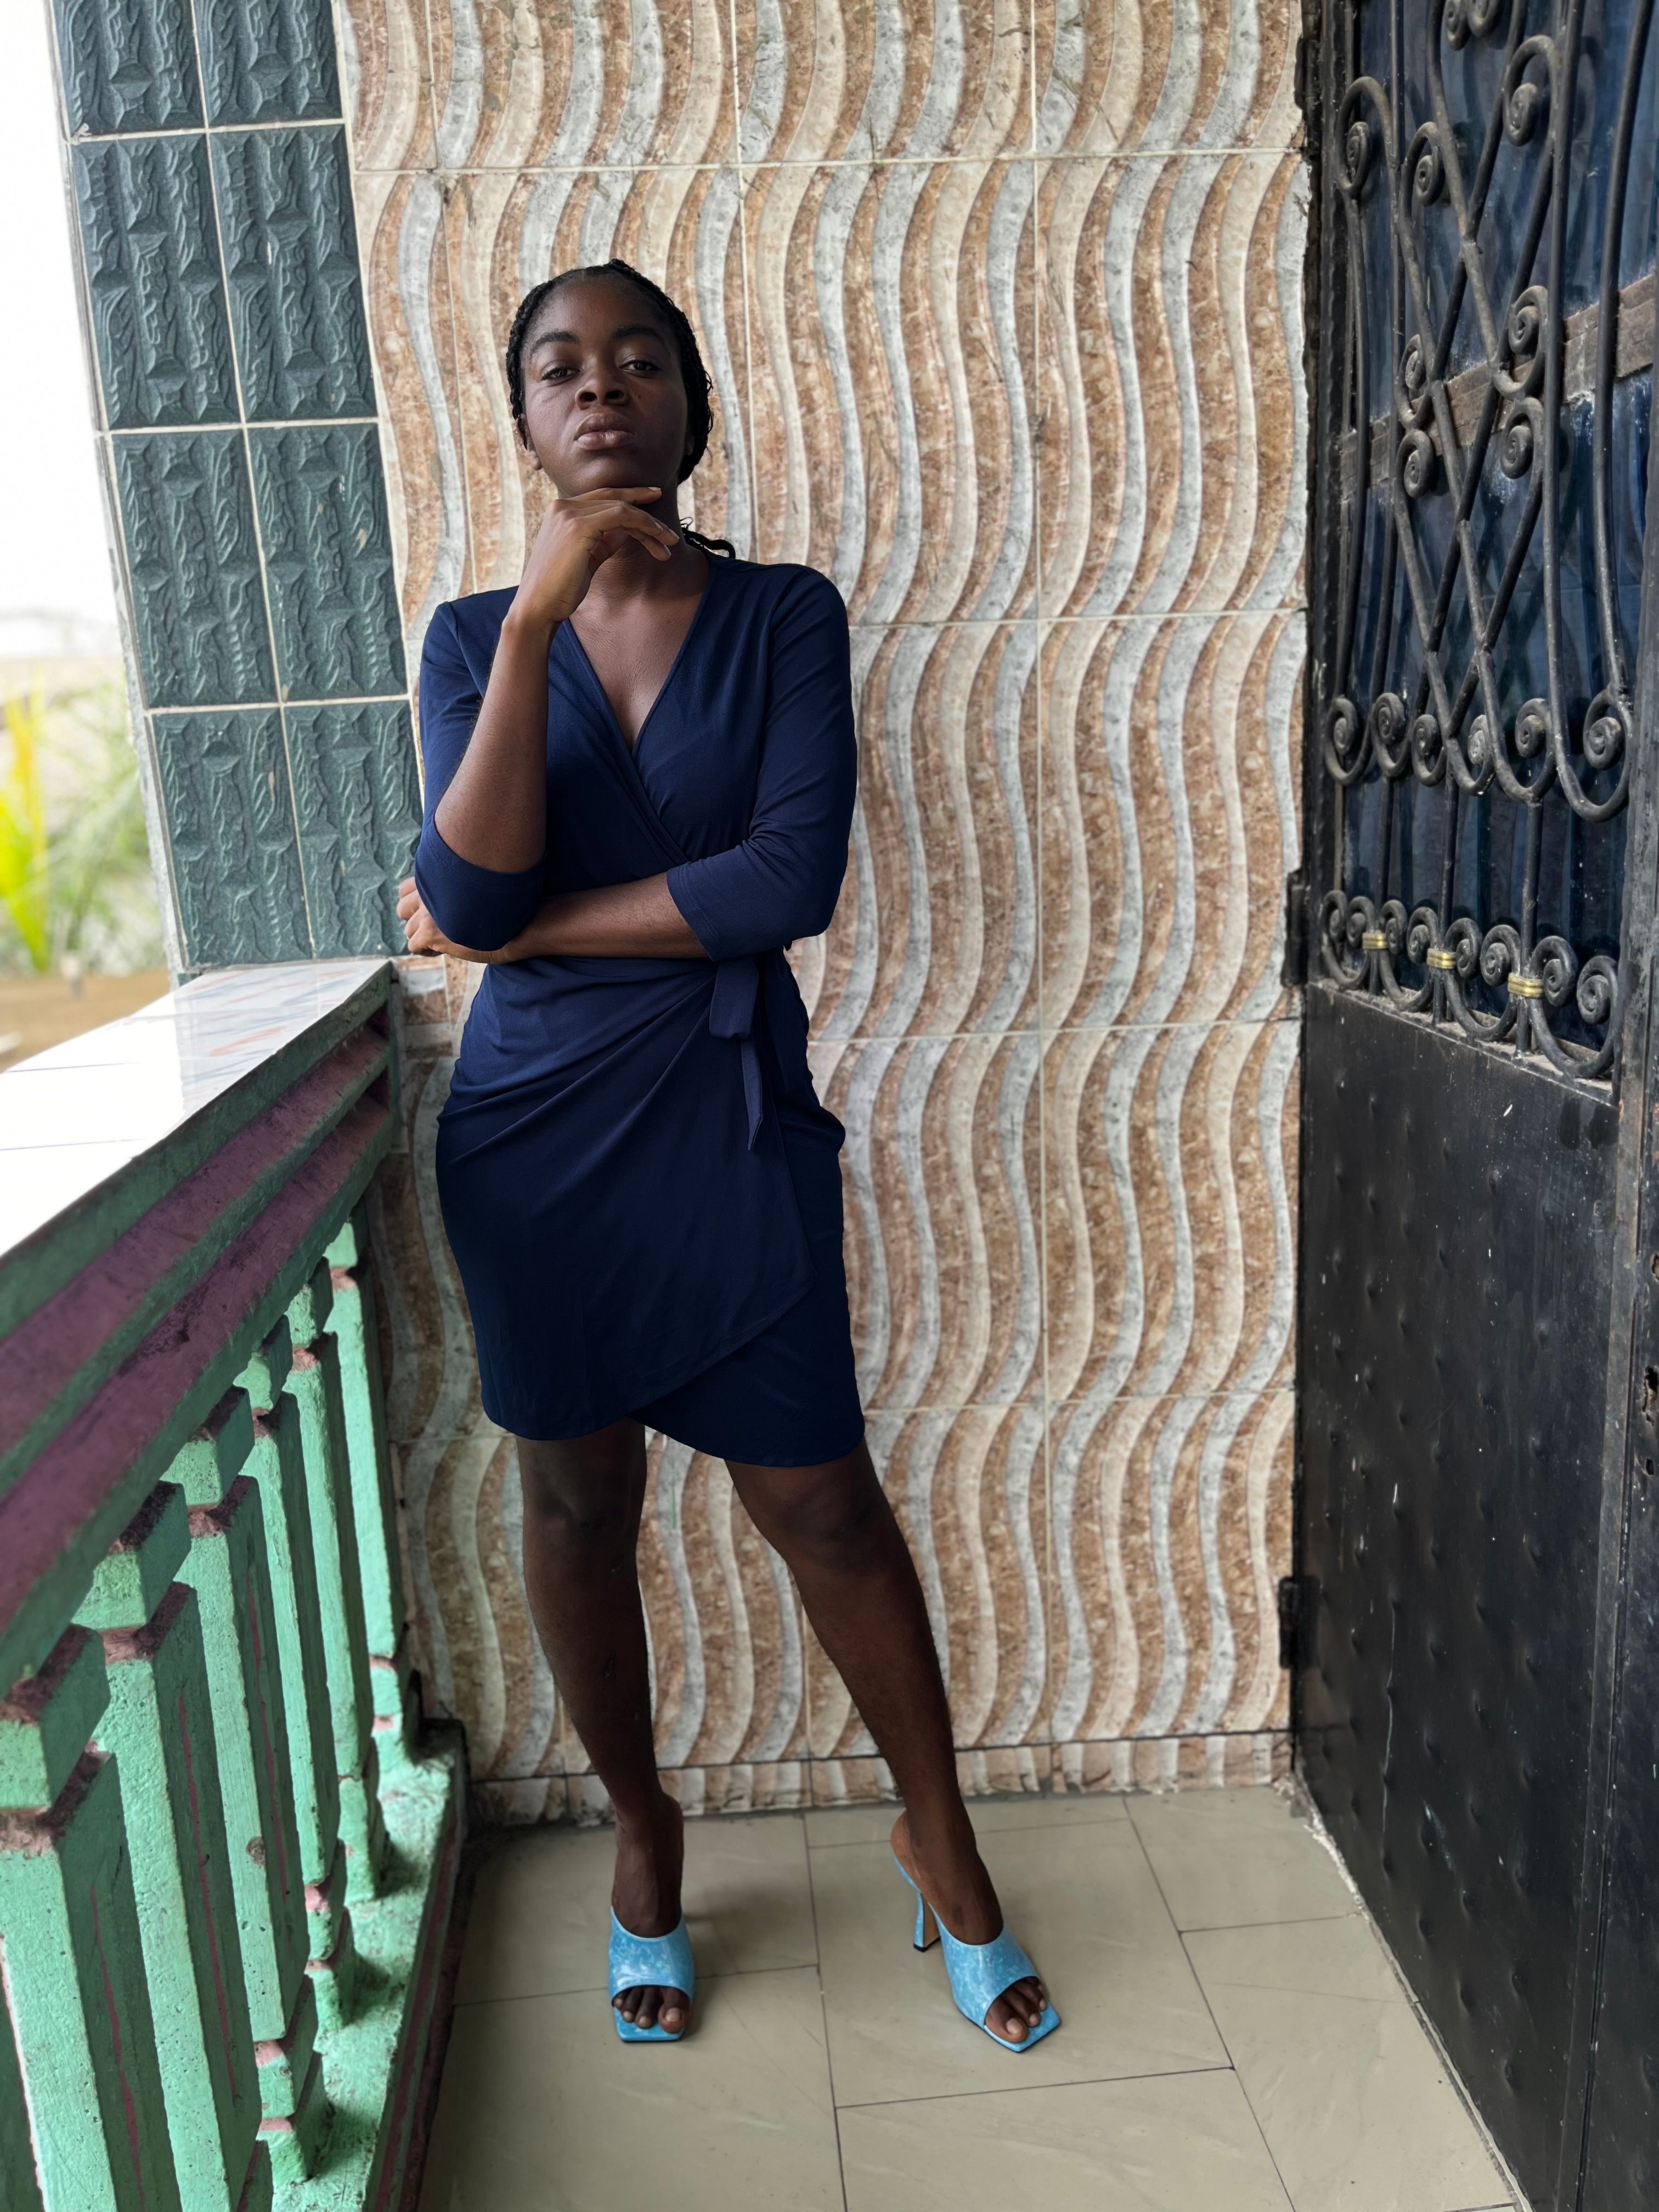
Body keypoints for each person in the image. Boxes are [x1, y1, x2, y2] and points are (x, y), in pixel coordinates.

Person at [397, 258, 1057, 2055]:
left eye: (639, 360)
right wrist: (533, 632)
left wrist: (525, 935)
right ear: (523, 419)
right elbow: (464, 880)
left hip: (726, 1120)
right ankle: (644, 1835)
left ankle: (939, 1837)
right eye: (560, 367)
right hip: (535, 1146)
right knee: (574, 1505)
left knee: (824, 1499)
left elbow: (784, 884)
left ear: (694, 402)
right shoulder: (470, 636)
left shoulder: (783, 615)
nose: (601, 389)